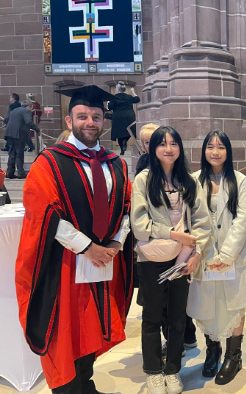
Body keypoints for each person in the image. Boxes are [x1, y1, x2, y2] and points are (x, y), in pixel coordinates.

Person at [15, 85, 133, 394]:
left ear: (103, 121)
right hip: (65, 264)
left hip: (103, 262)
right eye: (82, 116)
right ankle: (68, 389)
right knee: (66, 330)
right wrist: (88, 248)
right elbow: (44, 211)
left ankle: (86, 383)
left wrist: (116, 244)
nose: (90, 122)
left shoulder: (115, 164)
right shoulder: (50, 162)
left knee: (93, 325)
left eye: (96, 116)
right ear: (69, 121)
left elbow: (127, 208)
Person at [131, 126, 214, 394]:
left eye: (174, 143)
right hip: (152, 258)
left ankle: (173, 370)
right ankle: (153, 371)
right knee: (152, 316)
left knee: (178, 316)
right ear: (152, 149)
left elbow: (203, 222)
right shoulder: (144, 180)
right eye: (162, 144)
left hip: (182, 258)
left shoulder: (189, 181)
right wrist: (173, 233)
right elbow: (139, 225)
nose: (169, 149)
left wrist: (197, 254)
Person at [188, 130, 246, 384]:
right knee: (208, 305)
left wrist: (228, 254)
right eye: (210, 147)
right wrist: (205, 252)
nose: (215, 152)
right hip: (206, 256)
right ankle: (212, 352)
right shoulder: (194, 179)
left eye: (220, 147)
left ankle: (234, 356)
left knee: (234, 306)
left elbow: (243, 218)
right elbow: (191, 219)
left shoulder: (239, 180)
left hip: (234, 256)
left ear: (228, 151)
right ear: (204, 151)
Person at [4, 99, 41, 179]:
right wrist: (37, 129)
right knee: (19, 153)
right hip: (19, 134)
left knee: (12, 153)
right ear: (29, 106)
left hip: (9, 133)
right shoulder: (26, 111)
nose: (32, 109)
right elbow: (29, 122)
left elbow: (7, 120)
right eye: (32, 107)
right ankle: (21, 172)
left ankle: (10, 172)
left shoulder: (14, 110)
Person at [108, 81, 140, 155]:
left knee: (119, 134)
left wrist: (109, 101)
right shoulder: (129, 97)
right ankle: (125, 141)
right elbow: (137, 99)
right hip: (129, 116)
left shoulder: (114, 98)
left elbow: (110, 107)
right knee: (130, 132)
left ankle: (122, 148)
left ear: (117, 89)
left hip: (118, 117)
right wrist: (133, 92)